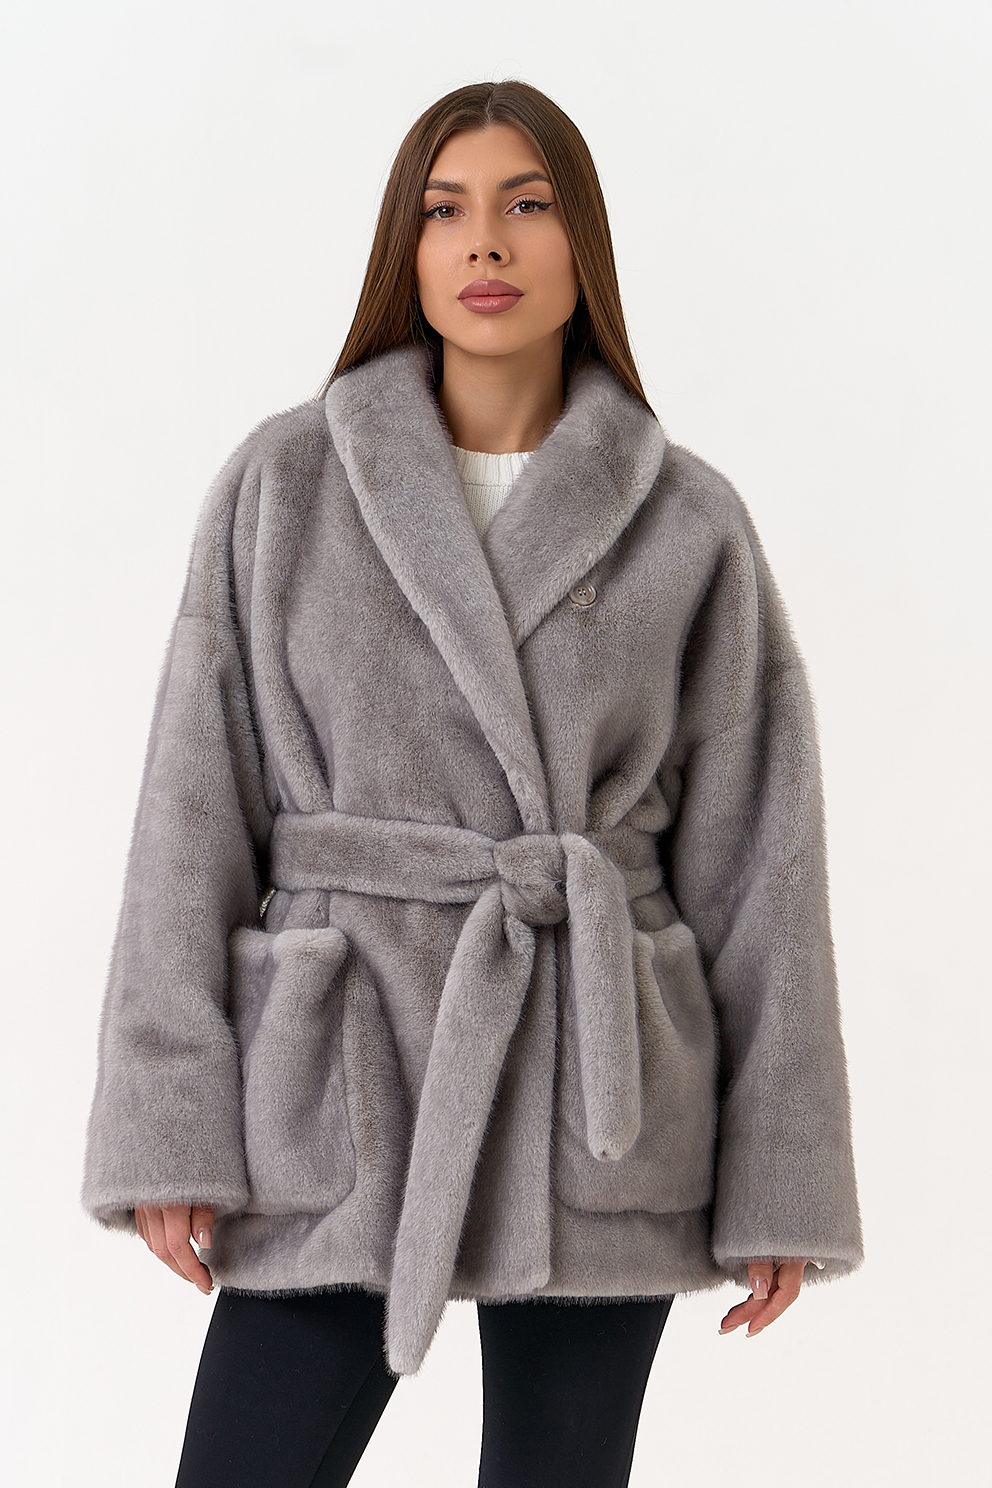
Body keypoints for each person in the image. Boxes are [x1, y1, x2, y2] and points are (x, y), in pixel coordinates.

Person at [81, 79, 863, 1488]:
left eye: (527, 204)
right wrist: (169, 1128)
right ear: (409, 247)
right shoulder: (285, 486)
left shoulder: (689, 523)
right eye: (446, 211)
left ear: (583, 246)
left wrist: (781, 1181)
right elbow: (190, 816)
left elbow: (764, 865)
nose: (485, 242)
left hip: (597, 1084)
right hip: (342, 1065)